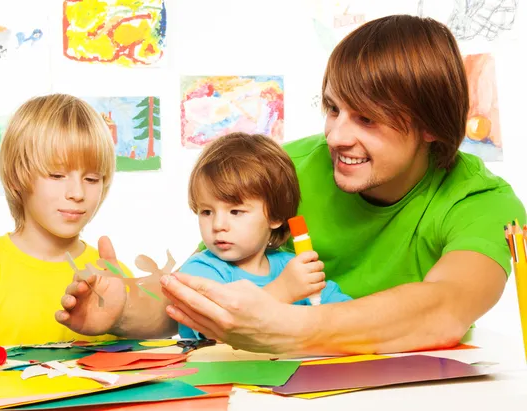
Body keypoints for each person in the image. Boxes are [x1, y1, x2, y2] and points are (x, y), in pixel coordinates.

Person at [57, 15, 525, 355]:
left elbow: (446, 307)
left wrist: (294, 325)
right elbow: (206, 294)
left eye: (367, 119)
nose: (337, 136)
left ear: (429, 126)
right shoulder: (283, 169)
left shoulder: (483, 202)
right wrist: (122, 311)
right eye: (333, 108)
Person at [0, 94, 133, 347]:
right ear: (16, 177)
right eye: (57, 175)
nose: (77, 193)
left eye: (92, 179)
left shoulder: (112, 277)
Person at [178, 132, 351, 338]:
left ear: (275, 216)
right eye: (207, 212)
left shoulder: (291, 267)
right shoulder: (200, 272)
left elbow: (350, 314)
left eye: (235, 212)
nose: (218, 225)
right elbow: (218, 329)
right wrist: (283, 291)